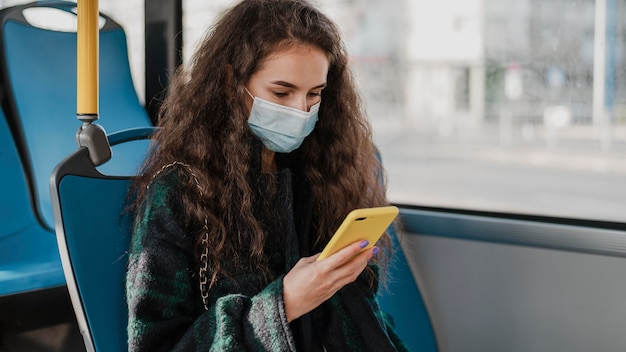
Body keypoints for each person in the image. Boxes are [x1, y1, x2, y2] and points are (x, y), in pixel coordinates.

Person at [125, 0, 408, 350]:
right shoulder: (179, 191)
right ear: (231, 81)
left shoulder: (319, 177)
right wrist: (285, 303)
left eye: (314, 95)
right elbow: (155, 344)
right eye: (281, 92)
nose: (301, 112)